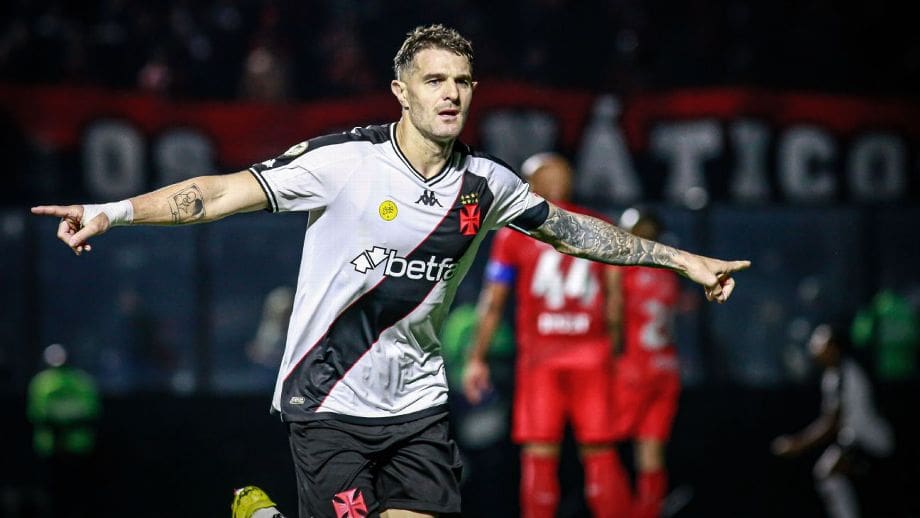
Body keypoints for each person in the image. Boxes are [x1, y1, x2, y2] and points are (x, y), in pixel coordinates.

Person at [32, 24, 749, 518]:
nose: (452, 94)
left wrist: (682, 259)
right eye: (434, 80)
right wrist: (113, 210)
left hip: (418, 407)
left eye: (463, 81)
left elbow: (575, 232)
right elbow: (217, 191)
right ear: (400, 92)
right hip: (327, 400)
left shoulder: (487, 185)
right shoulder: (343, 163)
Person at [462, 153, 631, 518]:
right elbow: (616, 302)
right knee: (601, 454)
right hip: (593, 355)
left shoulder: (514, 233)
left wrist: (477, 357)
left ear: (531, 186)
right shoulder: (600, 225)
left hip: (541, 360)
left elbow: (492, 302)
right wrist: (616, 350)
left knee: (539, 455)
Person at [771, 323, 894, 518]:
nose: (815, 348)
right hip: (853, 441)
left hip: (870, 442)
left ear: (833, 348)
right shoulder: (831, 376)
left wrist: (797, 445)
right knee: (829, 476)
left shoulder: (846, 374)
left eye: (821, 343)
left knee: (828, 473)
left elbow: (831, 424)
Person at [609, 209, 682, 518]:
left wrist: (610, 359)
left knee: (602, 444)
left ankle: (618, 510)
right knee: (651, 449)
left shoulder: (622, 268)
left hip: (632, 366)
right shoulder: (668, 271)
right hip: (665, 368)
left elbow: (614, 315)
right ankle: (648, 512)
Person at [27, 343, 101, 518]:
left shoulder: (81, 381)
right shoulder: (42, 383)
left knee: (76, 493)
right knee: (53, 495)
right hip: (52, 448)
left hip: (77, 448)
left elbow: (91, 413)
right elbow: (36, 414)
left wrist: (66, 427)